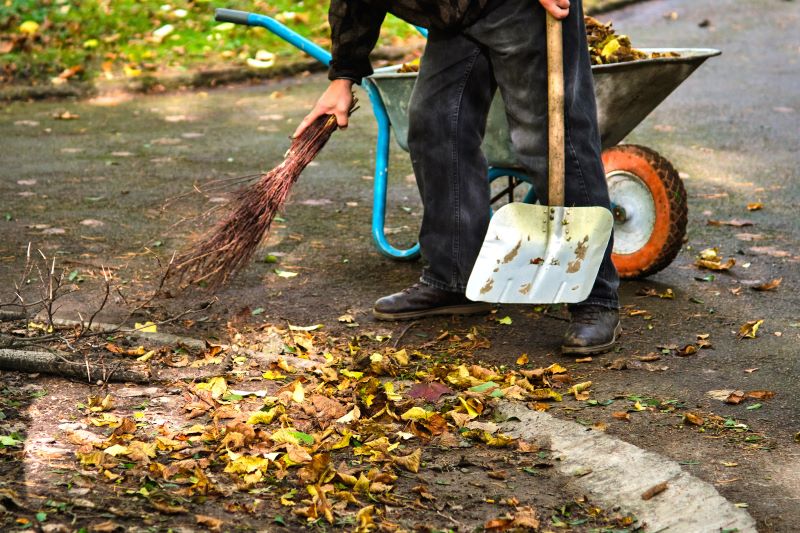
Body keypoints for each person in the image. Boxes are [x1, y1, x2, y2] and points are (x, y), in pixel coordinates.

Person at [294, 0, 621, 355]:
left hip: (524, 8)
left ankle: (595, 297)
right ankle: (454, 277)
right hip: (454, 12)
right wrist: (344, 74)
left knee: (551, 138)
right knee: (433, 121)